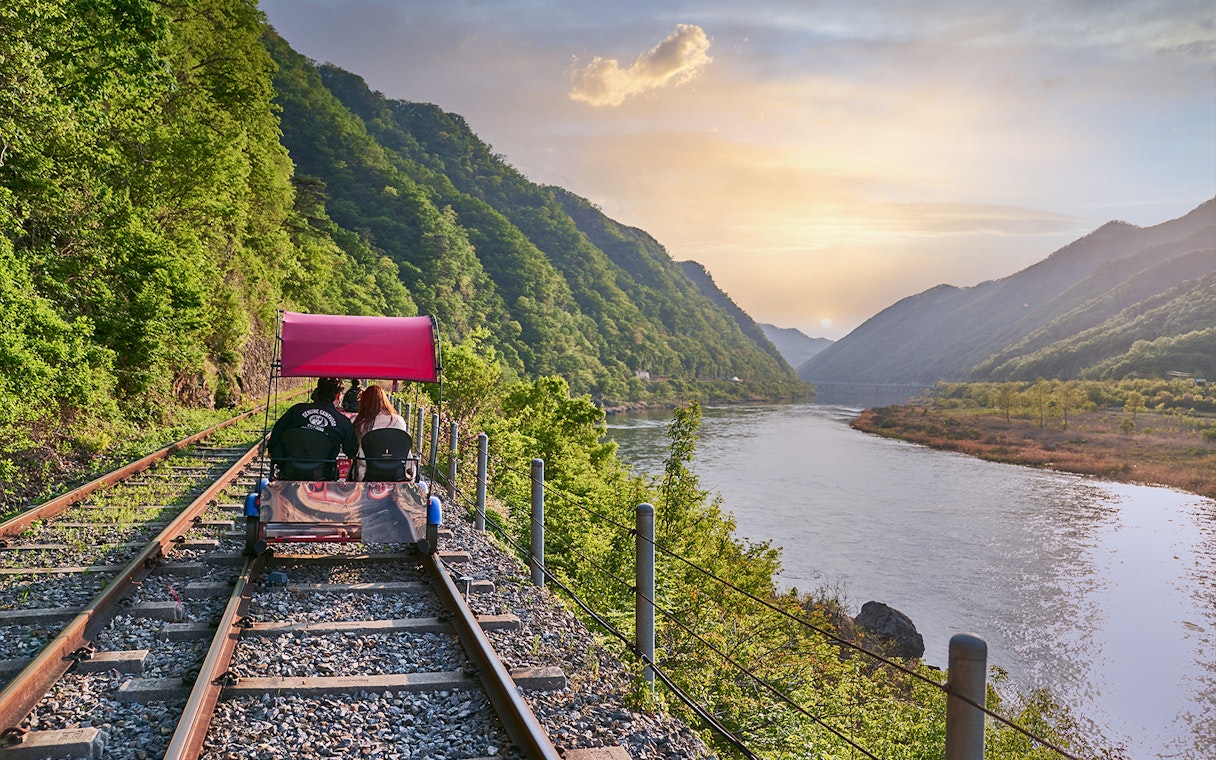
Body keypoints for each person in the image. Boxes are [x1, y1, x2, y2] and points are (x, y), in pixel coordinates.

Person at [268, 377, 358, 480]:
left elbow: (275, 437)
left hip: (289, 471)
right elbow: (351, 451)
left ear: (318, 391)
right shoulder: (342, 421)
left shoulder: (296, 410)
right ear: (338, 395)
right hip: (323, 475)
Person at [350, 384, 409, 481]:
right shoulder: (399, 421)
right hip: (397, 472)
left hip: (368, 474)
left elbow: (355, 448)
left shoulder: (361, 425)